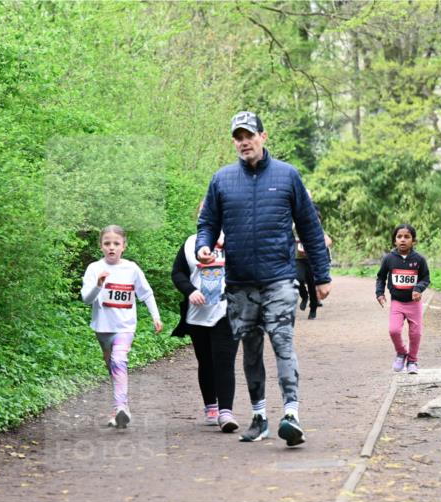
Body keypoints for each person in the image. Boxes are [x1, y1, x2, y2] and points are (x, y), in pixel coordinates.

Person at [196, 111, 331, 447]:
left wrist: (321, 274)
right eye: (238, 137)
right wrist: (203, 245)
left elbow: (309, 227)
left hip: (279, 279)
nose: (244, 142)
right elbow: (208, 223)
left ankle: (291, 415)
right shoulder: (222, 180)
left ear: (263, 136)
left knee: (283, 342)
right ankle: (259, 417)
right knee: (251, 350)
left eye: (249, 135)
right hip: (240, 282)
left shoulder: (287, 176)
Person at [81, 225, 163, 428]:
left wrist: (155, 316)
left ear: (123, 246)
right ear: (100, 246)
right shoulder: (94, 269)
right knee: (113, 367)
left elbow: (146, 293)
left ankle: (120, 409)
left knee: (119, 361)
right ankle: (121, 406)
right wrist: (99, 285)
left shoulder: (131, 269)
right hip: (103, 328)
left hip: (125, 326)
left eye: (116, 243)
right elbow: (86, 299)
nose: (111, 247)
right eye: (107, 243)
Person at [171, 202, 241, 433]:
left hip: (227, 310)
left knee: (224, 360)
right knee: (206, 361)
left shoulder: (235, 239)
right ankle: (211, 406)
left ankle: (226, 412)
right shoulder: (191, 243)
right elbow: (177, 273)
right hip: (197, 314)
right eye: (203, 212)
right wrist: (190, 291)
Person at [375, 224, 430, 374]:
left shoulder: (419, 259)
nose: (403, 240)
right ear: (394, 241)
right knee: (393, 330)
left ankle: (412, 361)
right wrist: (380, 293)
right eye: (399, 237)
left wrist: (418, 288)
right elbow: (381, 277)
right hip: (397, 302)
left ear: (414, 241)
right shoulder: (389, 259)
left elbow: (426, 278)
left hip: (414, 304)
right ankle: (401, 353)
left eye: (407, 237)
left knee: (415, 333)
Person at [296, 231, 333, 320]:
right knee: (298, 278)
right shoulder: (295, 227)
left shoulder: (316, 229)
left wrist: (318, 248)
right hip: (299, 259)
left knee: (312, 285)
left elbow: (328, 240)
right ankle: (304, 296)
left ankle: (313, 309)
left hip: (312, 260)